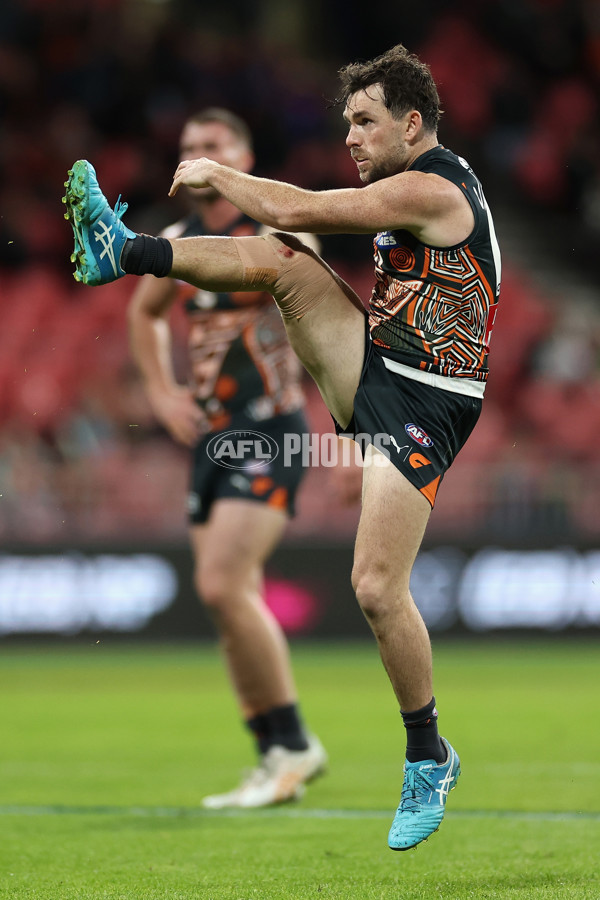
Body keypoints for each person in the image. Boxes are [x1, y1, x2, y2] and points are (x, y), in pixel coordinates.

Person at [63, 43, 501, 850]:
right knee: (282, 264)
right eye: (346, 124)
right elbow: (289, 233)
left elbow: (298, 206)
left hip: (431, 400)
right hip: (378, 358)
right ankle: (124, 250)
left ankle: (428, 753)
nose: (352, 138)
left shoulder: (432, 187)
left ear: (413, 123)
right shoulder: (409, 183)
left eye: (365, 122)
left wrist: (218, 173)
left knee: (373, 586)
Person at [127, 108, 327, 808]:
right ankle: (274, 754)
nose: (198, 155)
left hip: (270, 427)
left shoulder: (279, 230)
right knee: (223, 598)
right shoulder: (178, 240)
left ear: (241, 155)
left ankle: (297, 743)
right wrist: (160, 390)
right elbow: (142, 314)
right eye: (189, 146)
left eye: (213, 145)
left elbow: (325, 316)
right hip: (213, 435)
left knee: (221, 582)